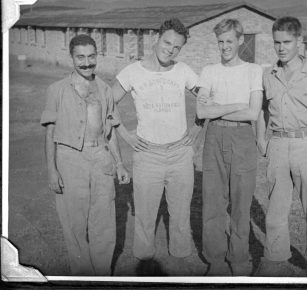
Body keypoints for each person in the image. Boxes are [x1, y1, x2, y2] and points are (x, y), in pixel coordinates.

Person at [112, 18, 203, 275]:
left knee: (181, 211)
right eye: (167, 42)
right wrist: (125, 134)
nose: (170, 50)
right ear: (156, 38)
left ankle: (181, 258)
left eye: (177, 47)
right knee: (144, 213)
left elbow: (207, 97)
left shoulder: (183, 70)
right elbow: (107, 101)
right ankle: (143, 259)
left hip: (180, 153)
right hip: (147, 154)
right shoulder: (132, 71)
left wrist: (197, 127)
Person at [41, 33, 130, 277]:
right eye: (80, 57)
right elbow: (49, 134)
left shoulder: (104, 90)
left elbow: (110, 132)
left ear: (96, 57)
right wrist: (52, 169)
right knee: (74, 224)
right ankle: (81, 276)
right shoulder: (56, 90)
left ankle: (101, 276)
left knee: (104, 222)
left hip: (101, 158)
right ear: (71, 57)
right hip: (70, 160)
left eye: (91, 56)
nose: (86, 63)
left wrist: (120, 163)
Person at [255, 16, 307, 278]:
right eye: (277, 42)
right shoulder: (268, 74)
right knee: (276, 208)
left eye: (287, 42)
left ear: (299, 41)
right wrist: (261, 137)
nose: (281, 47)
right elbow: (261, 111)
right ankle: (274, 258)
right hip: (278, 144)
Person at [195, 19, 263, 277]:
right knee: (213, 201)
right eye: (220, 41)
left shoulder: (253, 70)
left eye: (229, 41)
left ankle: (238, 258)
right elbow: (202, 111)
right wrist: (237, 105)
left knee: (241, 203)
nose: (224, 46)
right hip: (214, 137)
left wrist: (219, 109)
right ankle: (215, 260)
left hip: (243, 139)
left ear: (240, 40)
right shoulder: (209, 71)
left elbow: (254, 113)